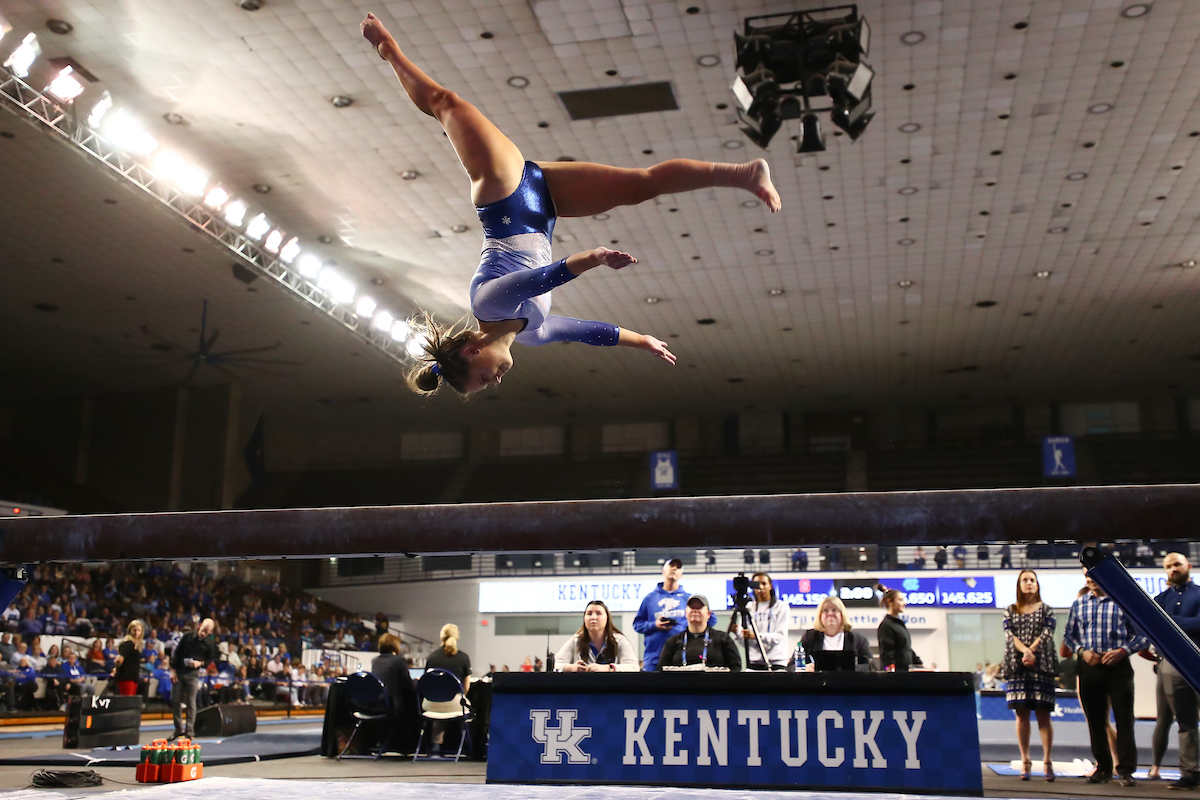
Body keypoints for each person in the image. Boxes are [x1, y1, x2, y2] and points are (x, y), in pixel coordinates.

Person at [358, 13, 781, 396]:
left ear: (471, 352)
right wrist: (643, 341)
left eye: (484, 379)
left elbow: (540, 279)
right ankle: (742, 173)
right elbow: (586, 332)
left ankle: (386, 48)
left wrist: (593, 258)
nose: (496, 380)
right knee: (639, 186)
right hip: (543, 208)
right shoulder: (532, 333)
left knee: (445, 104)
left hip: (504, 193)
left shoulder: (488, 305)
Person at [1062, 566, 1147, 787]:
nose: (1090, 578)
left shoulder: (1123, 602)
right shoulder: (1079, 604)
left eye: (1093, 574)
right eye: (1086, 575)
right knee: (1096, 721)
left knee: (1124, 720)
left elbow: (1143, 635)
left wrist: (1123, 651)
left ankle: (1126, 771)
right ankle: (1103, 768)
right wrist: (1082, 651)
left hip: (1118, 668)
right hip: (1089, 667)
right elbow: (1069, 636)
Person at [1001, 570, 1059, 782]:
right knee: (1021, 715)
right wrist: (1024, 651)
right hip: (1017, 667)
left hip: (1042, 665)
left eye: (1032, 580)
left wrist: (1031, 651)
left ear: (1037, 584)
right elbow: (1009, 635)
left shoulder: (1047, 610)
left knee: (1044, 715)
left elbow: (1047, 633)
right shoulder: (1009, 610)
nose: (1028, 583)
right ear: (1019, 585)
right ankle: (1025, 760)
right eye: (1024, 580)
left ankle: (1047, 761)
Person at [1152, 552, 1200, 789]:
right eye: (1169, 566)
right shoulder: (1159, 599)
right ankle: (1190, 773)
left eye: (1177, 564)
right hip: (1171, 665)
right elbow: (1153, 628)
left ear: (1188, 565)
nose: (1173, 569)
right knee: (1185, 722)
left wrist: (1170, 622)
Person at [632, 557, 713, 672]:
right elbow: (637, 625)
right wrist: (654, 625)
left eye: (678, 567)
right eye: (671, 566)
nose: (674, 569)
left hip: (682, 655)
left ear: (681, 574)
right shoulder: (650, 598)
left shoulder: (689, 599)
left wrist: (686, 628)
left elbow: (711, 619)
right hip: (654, 656)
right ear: (663, 571)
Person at [423, 623, 472, 756]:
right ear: (457, 637)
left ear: (441, 637)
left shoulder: (431, 657)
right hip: (454, 704)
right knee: (467, 711)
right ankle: (467, 747)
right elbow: (466, 687)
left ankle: (435, 748)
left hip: (431, 704)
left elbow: (426, 682)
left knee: (438, 716)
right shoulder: (464, 658)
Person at [658, 595, 741, 671]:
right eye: (691, 607)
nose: (695, 610)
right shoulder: (673, 641)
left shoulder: (723, 639)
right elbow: (661, 670)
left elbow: (736, 668)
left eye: (699, 607)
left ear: (708, 614)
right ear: (686, 613)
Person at [553, 600, 638, 672]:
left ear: (607, 618)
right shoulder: (575, 641)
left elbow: (634, 667)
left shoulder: (619, 640)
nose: (593, 617)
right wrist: (571, 668)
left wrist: (608, 668)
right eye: (589, 614)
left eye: (598, 613)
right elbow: (554, 665)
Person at [798, 595, 874, 672]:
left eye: (834, 610)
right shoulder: (810, 637)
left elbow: (871, 666)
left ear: (842, 614)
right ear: (820, 616)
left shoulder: (857, 640)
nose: (830, 614)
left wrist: (850, 668)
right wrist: (805, 668)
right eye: (825, 611)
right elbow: (793, 665)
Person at [732, 573, 791, 670]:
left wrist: (756, 636)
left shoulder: (781, 607)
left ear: (770, 586)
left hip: (776, 662)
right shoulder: (748, 607)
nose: (761, 588)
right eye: (757, 584)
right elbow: (745, 642)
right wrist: (738, 634)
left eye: (764, 583)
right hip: (753, 663)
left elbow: (779, 637)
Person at [170, 618, 216, 741]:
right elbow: (177, 653)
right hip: (180, 672)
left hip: (193, 674)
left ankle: (189, 732)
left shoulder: (209, 643)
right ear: (200, 627)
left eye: (207, 632)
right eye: (203, 630)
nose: (204, 633)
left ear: (210, 632)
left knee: (191, 702)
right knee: (175, 701)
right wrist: (173, 671)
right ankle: (178, 730)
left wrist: (200, 663)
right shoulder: (187, 637)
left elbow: (209, 660)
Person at [877, 589, 923, 672]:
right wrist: (891, 673)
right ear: (890, 601)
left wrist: (919, 664)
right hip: (897, 675)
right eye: (900, 600)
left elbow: (906, 648)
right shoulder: (886, 625)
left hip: (905, 673)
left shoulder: (899, 625)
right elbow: (887, 653)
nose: (904, 603)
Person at [111, 619, 145, 696]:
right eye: (134, 630)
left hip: (133, 677)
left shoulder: (136, 645)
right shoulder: (128, 643)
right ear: (130, 630)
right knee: (127, 699)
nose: (136, 633)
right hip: (126, 676)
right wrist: (116, 668)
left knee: (131, 699)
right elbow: (119, 659)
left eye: (139, 630)